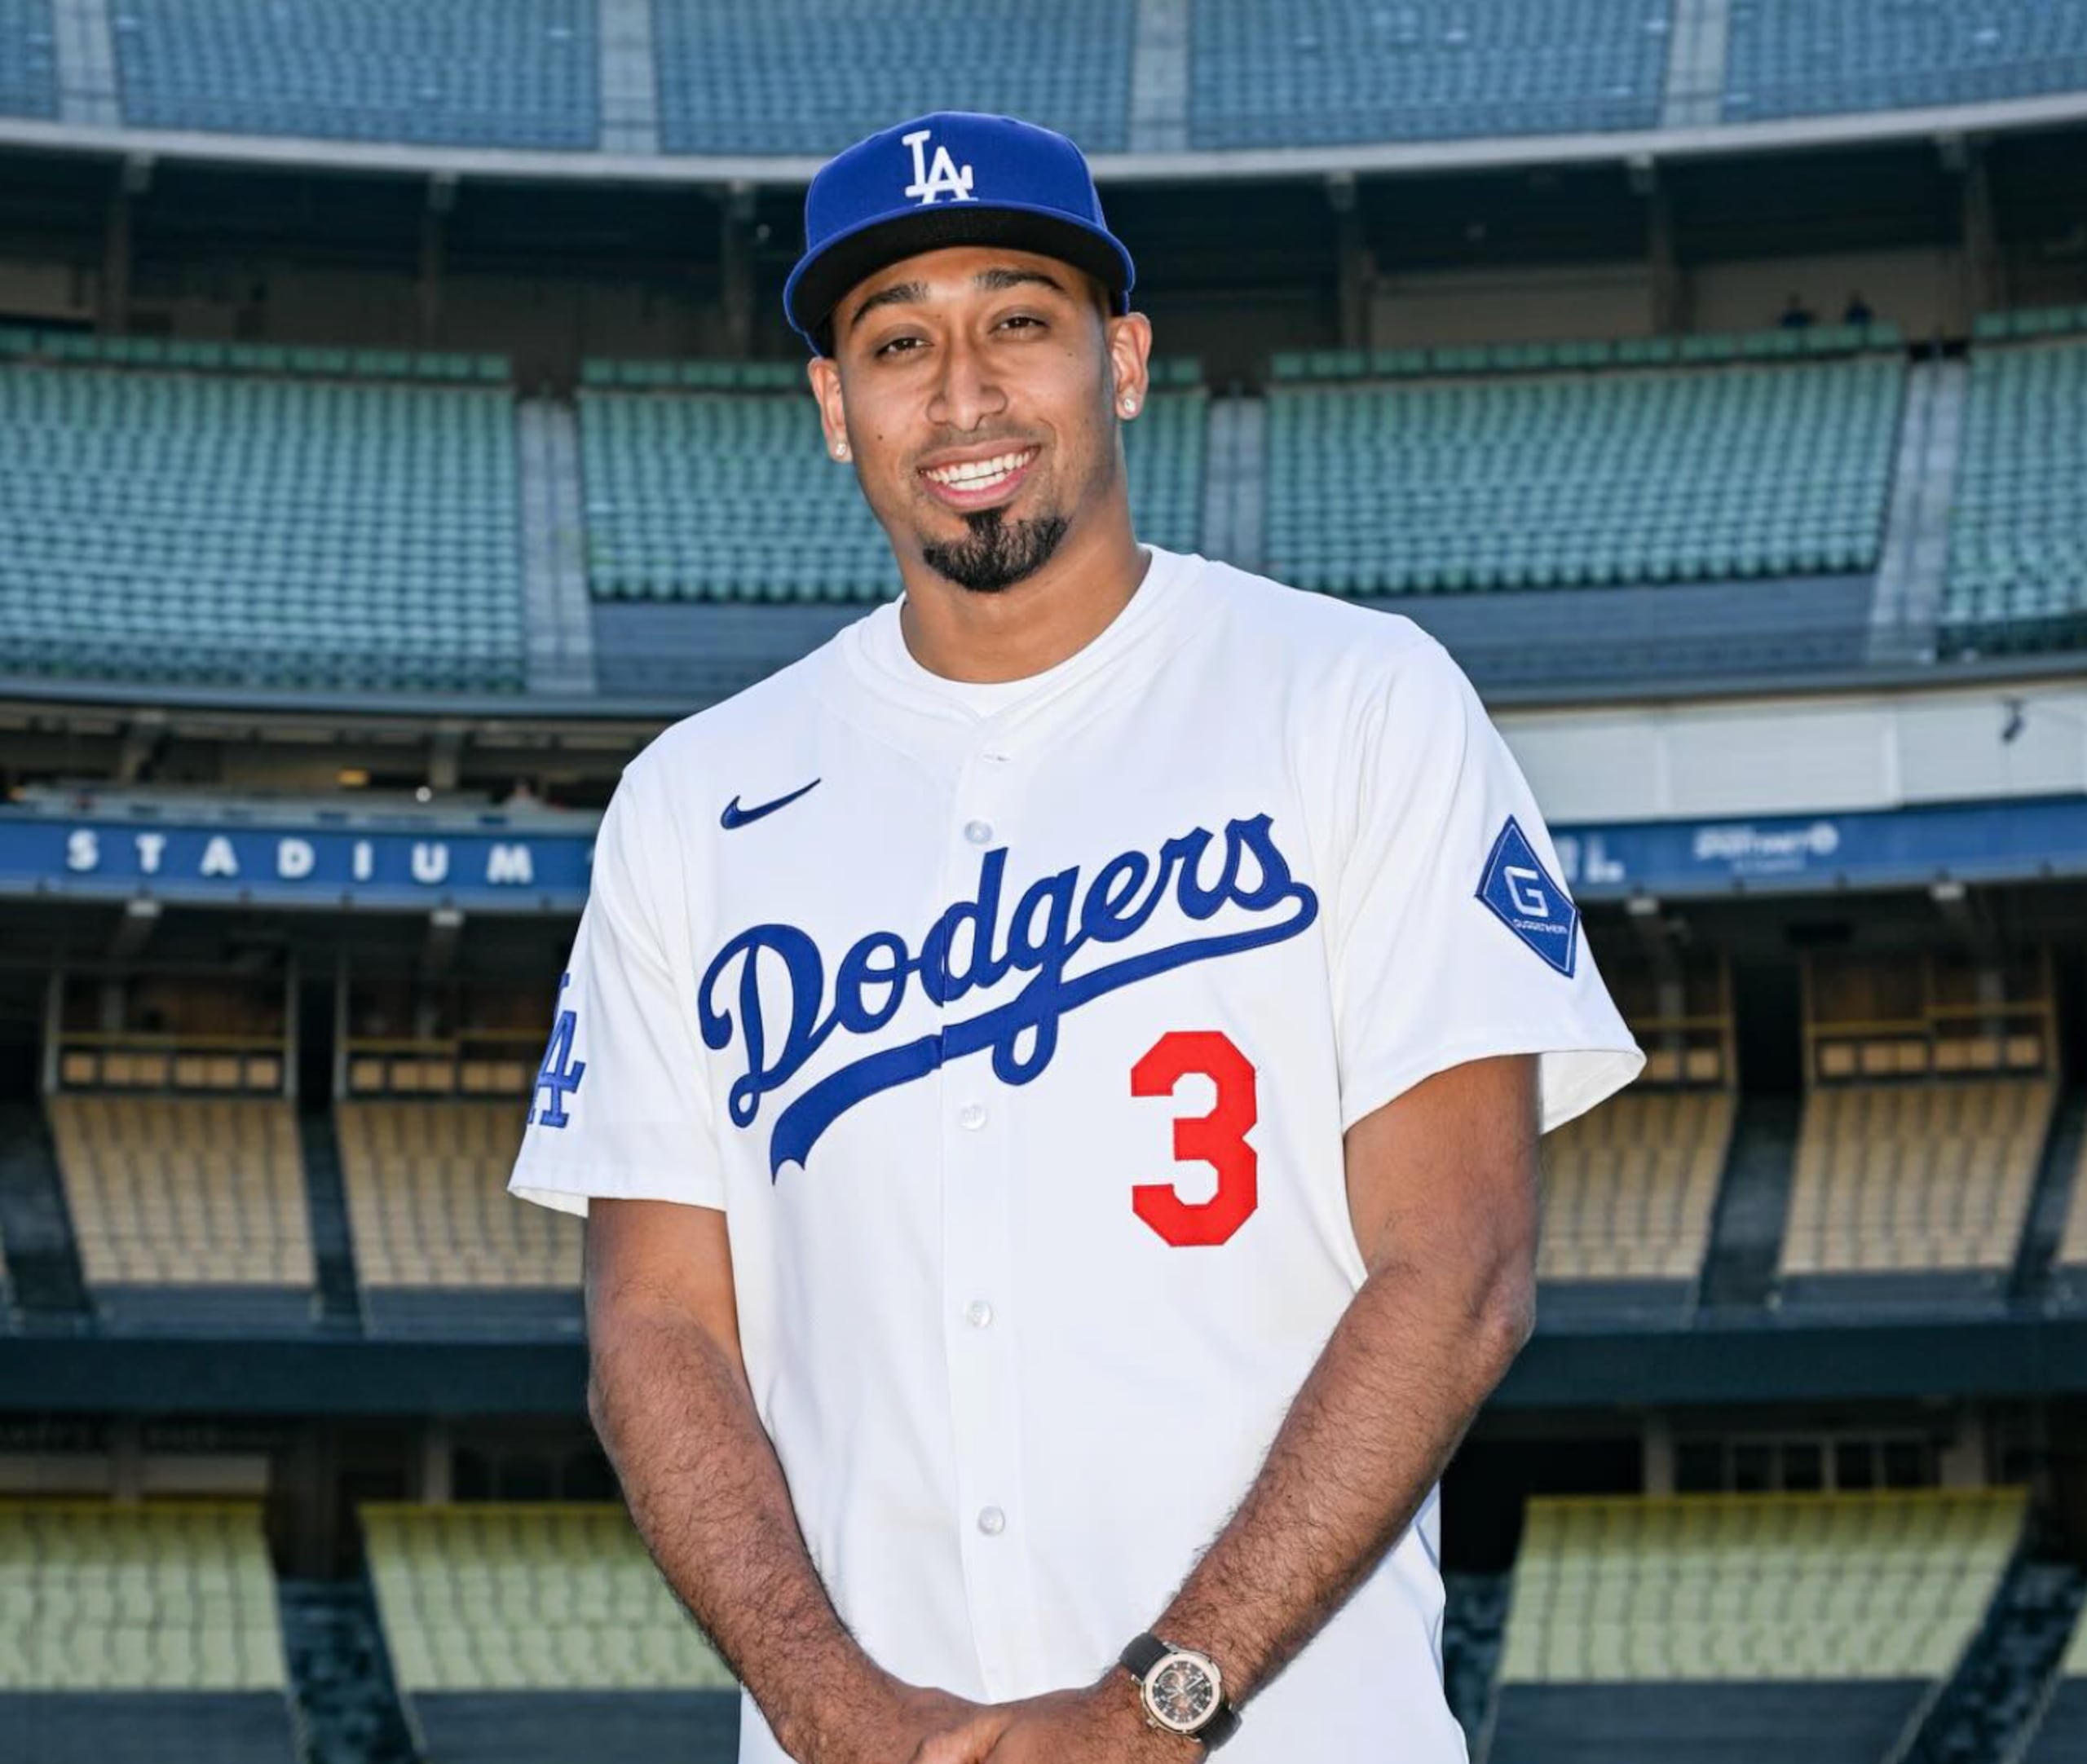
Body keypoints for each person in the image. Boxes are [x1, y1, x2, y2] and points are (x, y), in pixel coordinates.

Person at [510, 110, 1644, 1764]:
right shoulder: (695, 798)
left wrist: (1158, 1700)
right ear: (834, 408)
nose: (961, 393)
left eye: (1015, 321)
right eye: (897, 342)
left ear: (1119, 358)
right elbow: (653, 1331)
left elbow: (1457, 1265)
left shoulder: (1351, 698)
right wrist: (835, 1716)